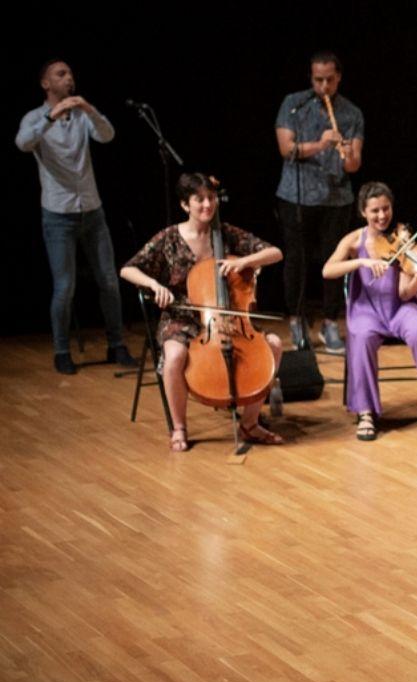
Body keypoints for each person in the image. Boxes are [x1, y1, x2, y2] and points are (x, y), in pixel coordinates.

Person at [119, 174, 285, 452]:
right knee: (175, 357)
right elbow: (127, 269)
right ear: (186, 205)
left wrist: (244, 261)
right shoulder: (169, 238)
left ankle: (250, 422)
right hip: (182, 317)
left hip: (229, 317)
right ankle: (179, 428)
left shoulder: (227, 234)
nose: (208, 204)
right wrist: (154, 285)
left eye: (211, 198)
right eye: (200, 200)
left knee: (275, 346)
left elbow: (275, 253)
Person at [16, 58, 135, 374]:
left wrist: (89, 109)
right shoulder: (34, 117)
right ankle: (61, 350)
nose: (69, 78)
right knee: (64, 287)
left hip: (92, 210)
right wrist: (50, 117)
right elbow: (23, 143)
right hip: (58, 215)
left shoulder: (82, 118)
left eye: (70, 73)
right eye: (61, 74)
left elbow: (107, 135)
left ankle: (116, 345)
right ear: (46, 83)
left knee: (109, 281)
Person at [321, 182, 417, 441]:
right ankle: (366, 410)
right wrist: (361, 261)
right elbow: (327, 270)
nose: (382, 216)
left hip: (401, 307)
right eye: (375, 211)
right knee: (360, 337)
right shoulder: (354, 240)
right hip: (366, 309)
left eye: (386, 209)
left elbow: (405, 293)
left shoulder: (403, 240)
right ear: (363, 212)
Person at [274, 50, 363, 353]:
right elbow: (286, 148)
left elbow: (353, 166)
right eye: (317, 80)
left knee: (334, 262)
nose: (323, 86)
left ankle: (330, 323)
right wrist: (322, 144)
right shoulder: (293, 105)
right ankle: (297, 321)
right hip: (296, 195)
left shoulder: (351, 113)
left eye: (329, 79)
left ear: (338, 77)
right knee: (296, 261)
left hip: (337, 198)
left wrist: (348, 152)